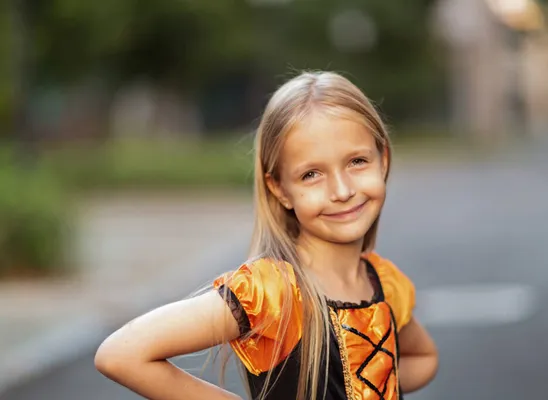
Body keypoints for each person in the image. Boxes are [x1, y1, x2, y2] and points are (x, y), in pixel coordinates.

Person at [95, 71, 438, 400]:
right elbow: (121, 354)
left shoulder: (387, 283)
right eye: (311, 174)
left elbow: (423, 359)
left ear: (383, 159)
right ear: (280, 189)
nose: (342, 189)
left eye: (357, 161)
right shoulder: (273, 292)